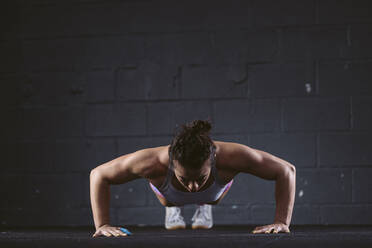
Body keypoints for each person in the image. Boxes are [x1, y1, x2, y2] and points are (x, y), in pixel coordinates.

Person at [90, 119, 296, 237]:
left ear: (213, 159)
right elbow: (98, 174)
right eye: (184, 179)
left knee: (210, 198)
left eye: (200, 178)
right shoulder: (149, 161)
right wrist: (102, 225)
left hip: (215, 190)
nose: (193, 187)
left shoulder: (232, 157)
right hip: (167, 193)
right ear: (171, 163)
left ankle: (203, 205)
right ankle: (173, 209)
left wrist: (281, 222)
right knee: (169, 200)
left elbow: (286, 170)